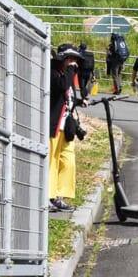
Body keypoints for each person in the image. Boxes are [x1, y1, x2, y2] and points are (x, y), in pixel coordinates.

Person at [49, 44, 85, 212]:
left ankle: (60, 195)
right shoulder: (53, 73)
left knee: (68, 162)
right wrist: (71, 71)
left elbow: (68, 95)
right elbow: (61, 87)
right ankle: (48, 196)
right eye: (70, 60)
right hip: (54, 126)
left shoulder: (67, 76)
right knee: (52, 162)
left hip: (66, 128)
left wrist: (78, 101)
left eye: (75, 61)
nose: (73, 63)